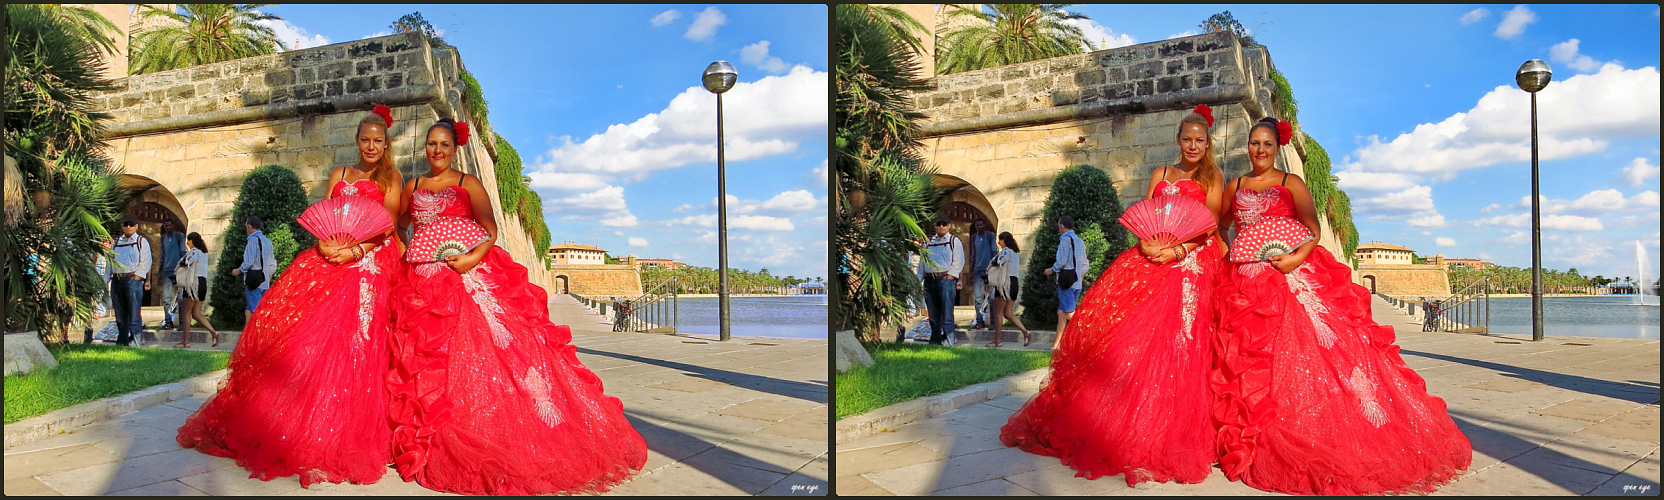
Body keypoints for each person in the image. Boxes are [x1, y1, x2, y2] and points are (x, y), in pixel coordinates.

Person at [1211, 117, 1470, 495]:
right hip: (1247, 282)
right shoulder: (1235, 184)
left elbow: (1312, 229)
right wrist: (1229, 253)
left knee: (1314, 351)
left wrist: (1295, 259)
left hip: (1292, 273)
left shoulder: (1291, 183)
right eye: (1254, 143)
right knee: (1249, 354)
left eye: (1266, 144)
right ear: (1247, 146)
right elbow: (1222, 223)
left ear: (1277, 146)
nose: (1260, 150)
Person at [387, 118, 646, 495]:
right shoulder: (413, 185)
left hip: (468, 273)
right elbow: (402, 223)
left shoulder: (468, 183)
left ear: (455, 148)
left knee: (490, 352)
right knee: (426, 354)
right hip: (424, 282)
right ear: (424, 147)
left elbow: (489, 231)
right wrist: (406, 248)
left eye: (443, 144)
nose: (437, 151)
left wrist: (470, 260)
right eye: (431, 144)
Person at [177, 106, 406, 487]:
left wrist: (355, 251)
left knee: (358, 341)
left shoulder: (392, 178)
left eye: (377, 141)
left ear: (386, 144)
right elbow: (326, 214)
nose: (371, 146)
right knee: (308, 336)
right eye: (365, 139)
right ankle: (290, 418)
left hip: (369, 263)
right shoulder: (340, 174)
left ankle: (344, 426)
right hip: (329, 256)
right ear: (357, 141)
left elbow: (386, 225)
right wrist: (328, 245)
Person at [1000, 105, 1225, 485]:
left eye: (1199, 140)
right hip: (1149, 258)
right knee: (1129, 338)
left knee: (1178, 344)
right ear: (1178, 139)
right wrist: (1149, 243)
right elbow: (1147, 213)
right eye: (1186, 139)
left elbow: (1210, 225)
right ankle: (1114, 415)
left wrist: (1177, 251)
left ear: (1208, 143)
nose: (1192, 145)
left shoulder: (1213, 178)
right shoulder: (1161, 173)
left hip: (1189, 265)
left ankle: (1164, 425)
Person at [920, 218, 965, 346]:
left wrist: (951, 276)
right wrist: (919, 279)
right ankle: (935, 341)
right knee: (933, 314)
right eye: (938, 224)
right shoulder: (928, 243)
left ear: (949, 226)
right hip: (929, 279)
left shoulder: (953, 241)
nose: (941, 227)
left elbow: (959, 260)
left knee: (947, 313)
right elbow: (922, 263)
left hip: (945, 279)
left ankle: (949, 341)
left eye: (944, 224)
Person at [1042, 215, 1088, 339]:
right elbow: (1085, 263)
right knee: (1061, 312)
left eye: (1059, 227)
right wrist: (1080, 276)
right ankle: (1056, 344)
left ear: (1062, 226)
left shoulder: (1065, 240)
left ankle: (1086, 338)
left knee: (1069, 313)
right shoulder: (1079, 241)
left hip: (1066, 282)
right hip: (1077, 282)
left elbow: (1061, 261)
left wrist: (1051, 270)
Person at [109, 217, 152, 347]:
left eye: (131, 224)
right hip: (117, 280)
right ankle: (122, 341)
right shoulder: (116, 242)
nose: (128, 227)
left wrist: (138, 276)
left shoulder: (141, 241)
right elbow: (110, 262)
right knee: (120, 314)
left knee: (134, 313)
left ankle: (136, 341)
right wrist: (107, 279)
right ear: (122, 226)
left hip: (132, 279)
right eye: (126, 224)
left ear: (136, 226)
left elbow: (146, 260)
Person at [984, 231, 1031, 347]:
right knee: (1008, 313)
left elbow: (999, 261)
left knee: (998, 313)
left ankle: (997, 340)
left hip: (1005, 284)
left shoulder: (1006, 251)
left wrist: (993, 262)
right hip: (1014, 283)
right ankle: (1025, 331)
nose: (999, 243)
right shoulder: (1015, 253)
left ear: (1003, 241)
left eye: (1000, 240)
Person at [172, 232, 219, 348]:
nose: (187, 243)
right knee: (197, 313)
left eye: (188, 241)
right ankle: (213, 332)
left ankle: (185, 341)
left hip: (193, 284)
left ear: (192, 241)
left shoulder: (194, 251)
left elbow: (187, 262)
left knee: (186, 314)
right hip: (202, 283)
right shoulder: (204, 254)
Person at [230, 215, 276, 316]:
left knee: (256, 312)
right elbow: (273, 262)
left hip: (254, 280)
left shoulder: (252, 240)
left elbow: (249, 261)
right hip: (265, 281)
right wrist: (269, 273)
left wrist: (239, 270)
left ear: (249, 226)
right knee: (257, 310)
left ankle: (258, 331)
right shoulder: (267, 241)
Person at [968, 219, 997, 330]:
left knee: (991, 298)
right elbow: (973, 255)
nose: (979, 227)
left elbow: (994, 252)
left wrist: (994, 268)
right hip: (977, 270)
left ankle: (993, 322)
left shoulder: (990, 236)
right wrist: (971, 271)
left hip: (989, 270)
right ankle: (980, 321)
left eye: (980, 225)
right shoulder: (973, 237)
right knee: (978, 297)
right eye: (977, 225)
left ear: (984, 225)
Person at [158, 219, 186, 331]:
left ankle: (182, 322)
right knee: (166, 298)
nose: (168, 227)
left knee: (180, 298)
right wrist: (159, 271)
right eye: (166, 225)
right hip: (166, 270)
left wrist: (183, 269)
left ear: (173, 226)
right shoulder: (163, 238)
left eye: (169, 225)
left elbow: (183, 252)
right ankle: (168, 321)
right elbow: (162, 255)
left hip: (178, 270)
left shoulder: (179, 236)